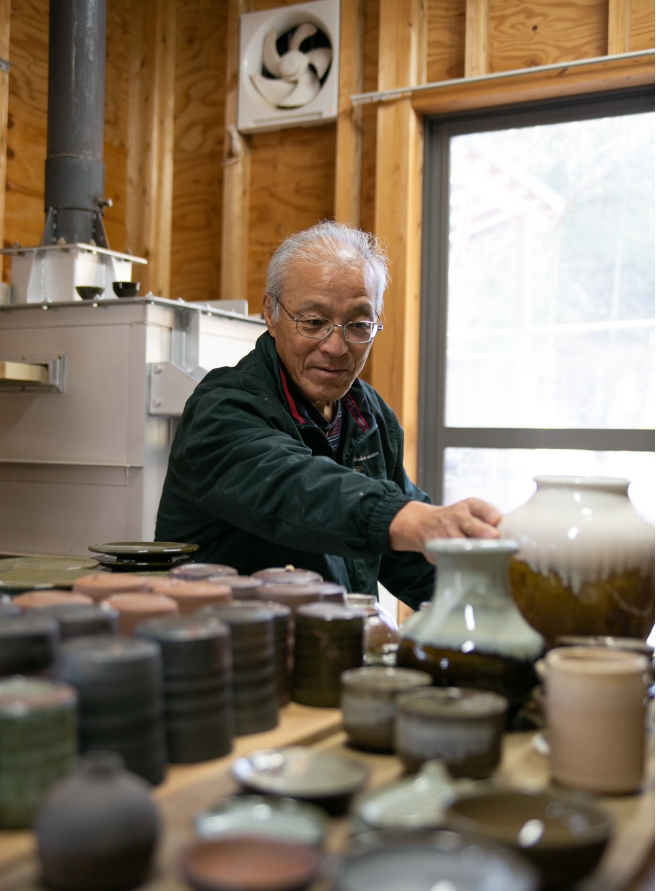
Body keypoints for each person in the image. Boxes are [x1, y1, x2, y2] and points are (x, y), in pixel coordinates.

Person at [155, 222, 501, 609]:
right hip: (224, 638)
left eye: (358, 325)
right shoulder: (222, 409)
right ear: (271, 313)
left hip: (333, 637)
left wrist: (495, 591)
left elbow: (410, 559)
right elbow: (296, 487)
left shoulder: (368, 416)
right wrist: (412, 518)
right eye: (314, 322)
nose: (336, 347)